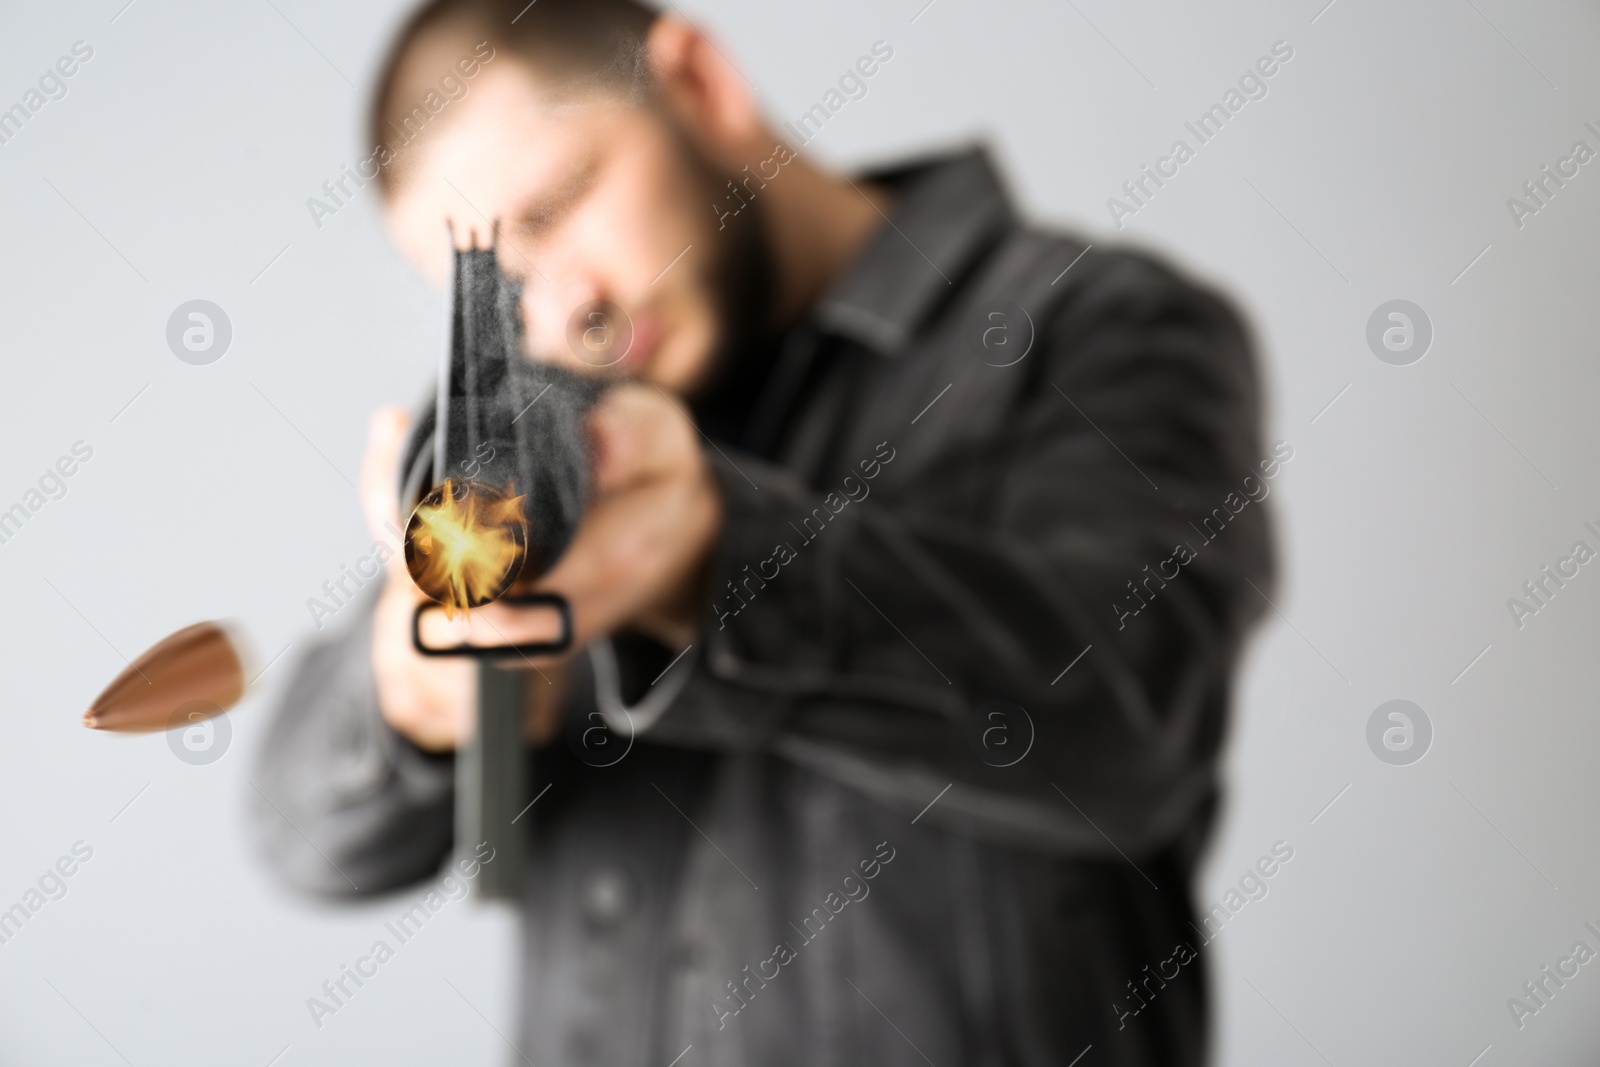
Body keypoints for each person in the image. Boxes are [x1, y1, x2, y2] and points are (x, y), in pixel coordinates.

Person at [251, 1, 1275, 1064]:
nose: (562, 308)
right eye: (495, 288)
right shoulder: (564, 421)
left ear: (697, 80)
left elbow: (1133, 720)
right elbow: (299, 837)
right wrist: (411, 694)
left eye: (556, 204)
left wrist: (712, 563)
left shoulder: (1094, 323)